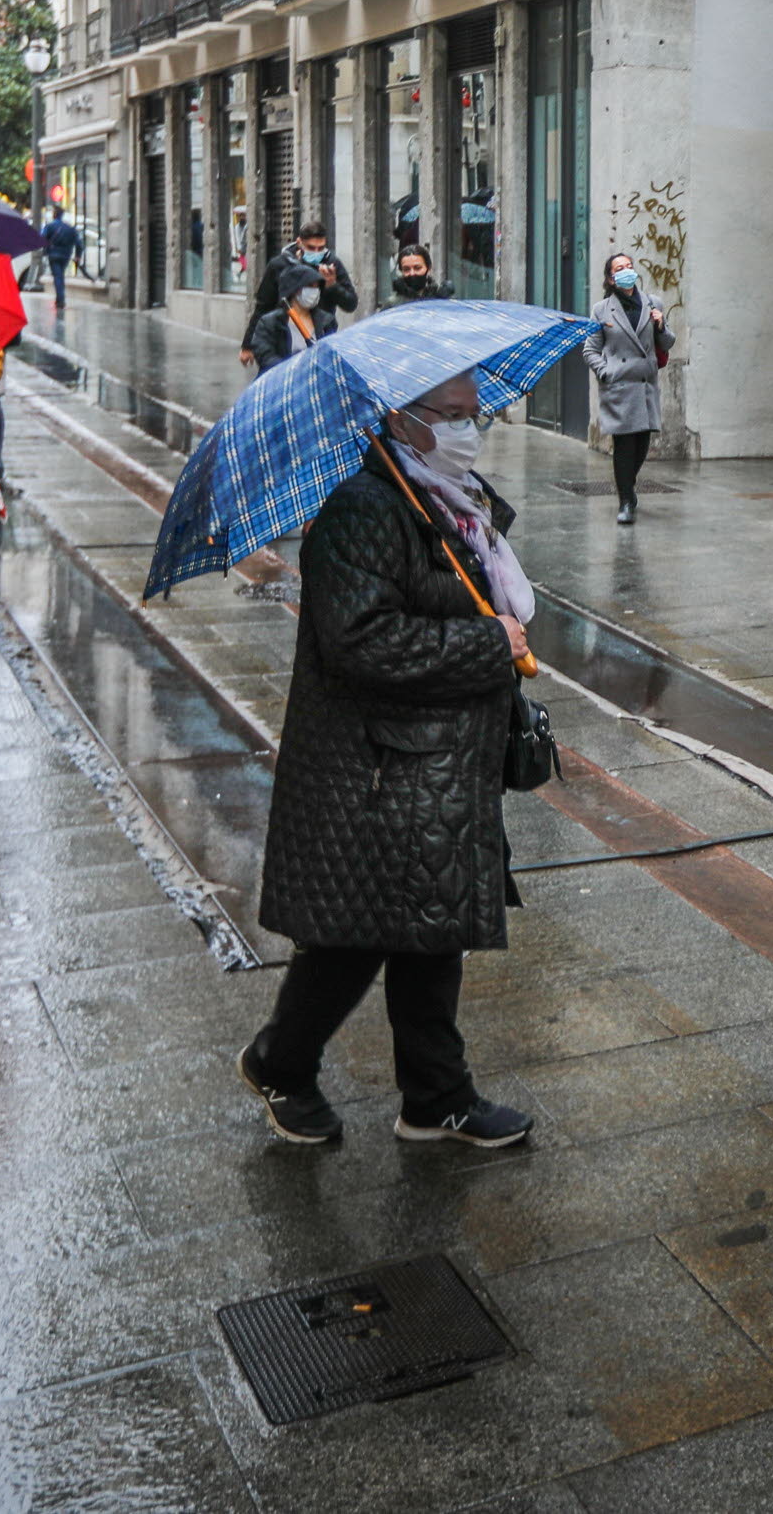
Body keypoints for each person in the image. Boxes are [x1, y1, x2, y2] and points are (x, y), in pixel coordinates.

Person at [239, 377, 540, 1150]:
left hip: (435, 757)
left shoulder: (444, 500)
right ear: (403, 421)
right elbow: (359, 641)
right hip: (374, 763)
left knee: (432, 925)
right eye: (454, 414)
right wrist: (487, 643)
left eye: (477, 412)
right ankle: (281, 1061)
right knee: (355, 935)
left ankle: (436, 1095)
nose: (472, 427)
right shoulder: (363, 509)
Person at [586, 252, 672, 525]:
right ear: (611, 278)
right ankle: (625, 501)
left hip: (645, 384)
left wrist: (659, 324)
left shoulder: (652, 303)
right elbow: (590, 349)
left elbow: (667, 343)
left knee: (642, 446)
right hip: (619, 385)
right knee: (624, 446)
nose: (626, 271)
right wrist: (605, 371)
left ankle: (628, 488)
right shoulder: (602, 310)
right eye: (619, 268)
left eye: (629, 266)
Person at [253, 216, 357, 332]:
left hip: (321, 332)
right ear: (299, 243)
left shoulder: (332, 264)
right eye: (311, 247)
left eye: (321, 248)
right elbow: (262, 307)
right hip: (284, 333)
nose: (316, 252)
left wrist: (332, 285)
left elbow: (351, 303)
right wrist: (248, 345)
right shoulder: (280, 264)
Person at [244, 262, 332, 372]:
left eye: (317, 286)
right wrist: (296, 369)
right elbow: (265, 356)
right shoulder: (270, 323)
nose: (314, 291)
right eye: (309, 286)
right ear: (294, 289)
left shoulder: (327, 321)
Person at [38, 208, 82, 316]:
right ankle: (60, 299)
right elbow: (79, 244)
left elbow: (42, 238)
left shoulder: (49, 226)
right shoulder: (70, 228)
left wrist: (45, 249)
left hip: (53, 255)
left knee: (58, 277)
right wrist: (78, 256)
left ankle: (60, 300)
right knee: (60, 275)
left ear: (54, 215)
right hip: (65, 256)